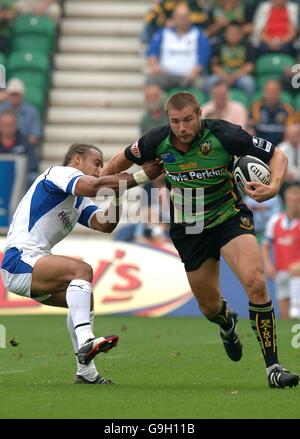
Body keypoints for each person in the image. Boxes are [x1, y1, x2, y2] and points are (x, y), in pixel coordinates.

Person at [101, 91, 299, 388]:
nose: (181, 127)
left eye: (187, 120)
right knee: (209, 308)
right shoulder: (156, 140)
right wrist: (104, 180)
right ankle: (226, 323)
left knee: (256, 282)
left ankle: (273, 367)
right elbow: (120, 161)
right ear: (168, 120)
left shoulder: (224, 134)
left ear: (199, 114)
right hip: (189, 227)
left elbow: (277, 155)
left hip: (228, 215)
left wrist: (273, 187)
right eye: (175, 121)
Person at [0, 143, 162, 384]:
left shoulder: (78, 202)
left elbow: (104, 225)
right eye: (96, 163)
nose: (99, 169)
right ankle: (87, 340)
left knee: (87, 301)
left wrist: (118, 192)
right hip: (19, 259)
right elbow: (95, 186)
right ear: (76, 160)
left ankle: (86, 373)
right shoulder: (59, 173)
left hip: (31, 265)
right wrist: (140, 176)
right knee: (81, 270)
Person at [146, 2, 211, 91]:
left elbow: (204, 56)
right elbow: (152, 52)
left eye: (185, 17)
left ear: (190, 18)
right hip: (166, 75)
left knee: (202, 84)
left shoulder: (198, 34)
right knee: (151, 82)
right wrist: (154, 65)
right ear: (173, 18)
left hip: (190, 76)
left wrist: (195, 71)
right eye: (179, 17)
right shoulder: (163, 33)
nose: (182, 20)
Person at [262, 183, 300, 320]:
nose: (294, 204)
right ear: (286, 201)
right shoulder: (275, 221)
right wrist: (268, 265)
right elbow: (265, 245)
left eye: (297, 201)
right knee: (286, 318)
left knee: (296, 315)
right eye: (292, 200)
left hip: (297, 274)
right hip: (281, 272)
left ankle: (296, 305)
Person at [0, 109, 39, 188]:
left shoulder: (25, 143)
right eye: (5, 125)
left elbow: (33, 164)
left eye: (10, 124)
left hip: (19, 178)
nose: (8, 128)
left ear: (16, 124)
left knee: (32, 177)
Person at [0, 78, 42, 147]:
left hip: (25, 147)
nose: (14, 97)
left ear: (22, 94)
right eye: (12, 94)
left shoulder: (31, 111)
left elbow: (35, 134)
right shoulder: (1, 109)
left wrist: (23, 145)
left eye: (17, 94)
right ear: (8, 94)